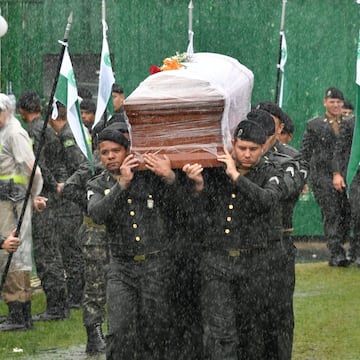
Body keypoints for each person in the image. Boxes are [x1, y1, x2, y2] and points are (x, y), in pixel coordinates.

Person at [183, 119, 285, 359]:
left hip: (254, 263)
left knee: (251, 330)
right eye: (242, 148)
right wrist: (198, 186)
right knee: (221, 332)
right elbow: (198, 214)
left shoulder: (271, 172)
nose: (247, 154)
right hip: (217, 262)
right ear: (233, 144)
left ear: (263, 148)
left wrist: (236, 177)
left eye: (253, 149)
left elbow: (267, 201)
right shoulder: (216, 172)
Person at [87, 126, 179, 359]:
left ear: (127, 151)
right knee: (118, 330)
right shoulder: (98, 185)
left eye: (115, 151)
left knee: (156, 330)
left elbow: (179, 206)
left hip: (155, 264)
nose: (109, 156)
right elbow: (97, 213)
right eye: (104, 152)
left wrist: (169, 177)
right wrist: (121, 186)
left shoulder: (148, 178)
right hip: (121, 267)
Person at [248, 107, 306, 360]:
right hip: (244, 246)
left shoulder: (290, 158)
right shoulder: (239, 155)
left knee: (278, 316)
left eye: (268, 123)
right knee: (247, 318)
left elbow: (280, 193)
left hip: (277, 245)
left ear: (279, 128)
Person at [18, 92, 72, 322]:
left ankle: (57, 306)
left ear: (22, 110)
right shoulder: (48, 129)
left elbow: (38, 166)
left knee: (46, 253)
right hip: (52, 196)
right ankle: (59, 304)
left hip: (44, 198)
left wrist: (47, 187)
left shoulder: (33, 132)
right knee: (50, 251)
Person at [0, 93, 44, 331]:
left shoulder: (14, 133)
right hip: (7, 200)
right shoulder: (4, 132)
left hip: (13, 202)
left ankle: (19, 313)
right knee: (11, 252)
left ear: (7, 111)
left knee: (13, 253)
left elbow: (33, 170)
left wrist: (33, 195)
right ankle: (19, 312)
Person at [301, 87, 351, 267]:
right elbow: (305, 153)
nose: (336, 105)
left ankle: (347, 248)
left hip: (346, 175)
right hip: (322, 175)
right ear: (325, 102)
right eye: (332, 102)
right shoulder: (314, 124)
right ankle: (336, 252)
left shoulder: (350, 122)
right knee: (331, 212)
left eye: (339, 102)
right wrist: (302, 178)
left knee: (347, 212)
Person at [332, 114, 360, 265]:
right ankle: (355, 251)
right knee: (357, 212)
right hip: (355, 174)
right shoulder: (351, 123)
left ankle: (355, 250)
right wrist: (337, 173)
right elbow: (339, 150)